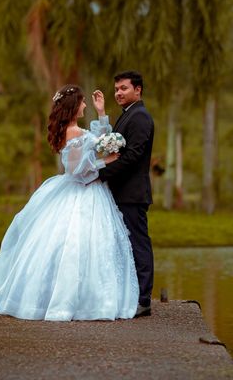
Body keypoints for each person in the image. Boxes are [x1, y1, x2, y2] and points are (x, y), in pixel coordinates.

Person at [0, 85, 139, 321]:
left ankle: (77, 298)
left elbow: (96, 141)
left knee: (83, 247)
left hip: (85, 190)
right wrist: (106, 162)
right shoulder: (74, 132)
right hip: (82, 191)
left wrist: (101, 113)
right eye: (83, 102)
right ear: (73, 106)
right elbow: (77, 171)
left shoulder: (72, 130)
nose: (86, 105)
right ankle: (81, 302)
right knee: (79, 246)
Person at [98, 71, 155, 317]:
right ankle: (128, 296)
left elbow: (132, 157)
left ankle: (143, 300)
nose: (119, 93)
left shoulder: (140, 117)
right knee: (123, 246)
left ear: (138, 90)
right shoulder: (127, 116)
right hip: (120, 193)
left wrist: (101, 173)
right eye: (116, 90)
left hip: (132, 194)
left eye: (123, 88)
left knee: (138, 245)